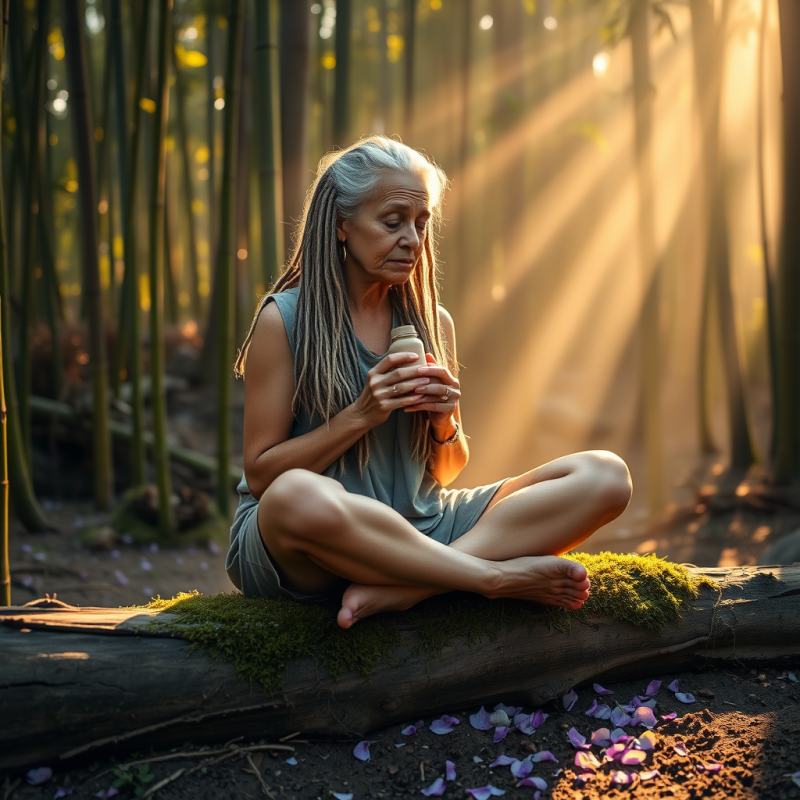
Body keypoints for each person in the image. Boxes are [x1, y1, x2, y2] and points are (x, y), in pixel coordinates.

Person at [226, 135, 632, 629]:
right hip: (313, 547)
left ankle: (411, 587)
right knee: (294, 495)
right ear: (341, 225)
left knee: (605, 475)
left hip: (422, 524)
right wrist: (361, 415)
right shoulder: (283, 321)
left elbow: (446, 472)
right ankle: (489, 578)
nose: (413, 240)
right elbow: (264, 474)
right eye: (392, 222)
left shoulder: (433, 325)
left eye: (421, 224)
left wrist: (444, 422)